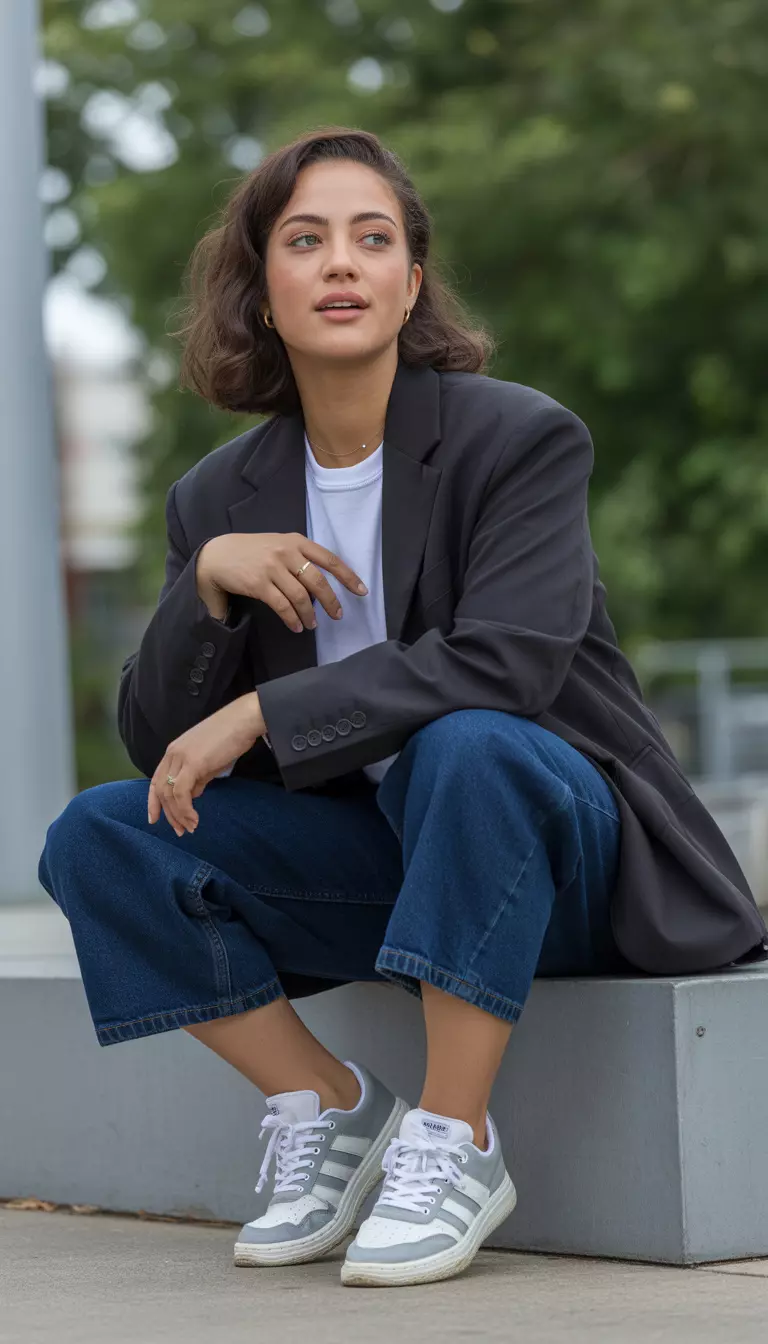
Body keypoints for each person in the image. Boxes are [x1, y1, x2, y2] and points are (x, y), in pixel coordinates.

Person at [38, 126, 767, 1290]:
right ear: (262, 288)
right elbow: (157, 744)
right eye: (306, 241)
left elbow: (509, 667)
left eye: (372, 240)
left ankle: (455, 1137)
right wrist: (207, 588)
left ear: (410, 283)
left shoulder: (517, 439)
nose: (341, 264)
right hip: (387, 866)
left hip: (553, 851)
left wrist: (268, 717)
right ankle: (322, 1103)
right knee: (103, 833)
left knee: (465, 747)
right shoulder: (217, 496)